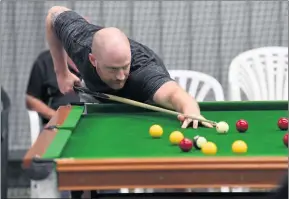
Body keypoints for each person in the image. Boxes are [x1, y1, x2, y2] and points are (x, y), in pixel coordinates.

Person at [45, 6, 213, 130]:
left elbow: (174, 94)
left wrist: (190, 110)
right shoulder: (79, 42)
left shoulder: (144, 71)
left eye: (124, 67)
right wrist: (62, 73)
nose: (120, 76)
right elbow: (54, 13)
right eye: (112, 69)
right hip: (98, 97)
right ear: (93, 59)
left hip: (143, 107)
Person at [26, 50, 81, 125]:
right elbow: (30, 99)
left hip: (92, 121)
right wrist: (56, 116)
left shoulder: (97, 58)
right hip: (59, 125)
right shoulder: (45, 61)